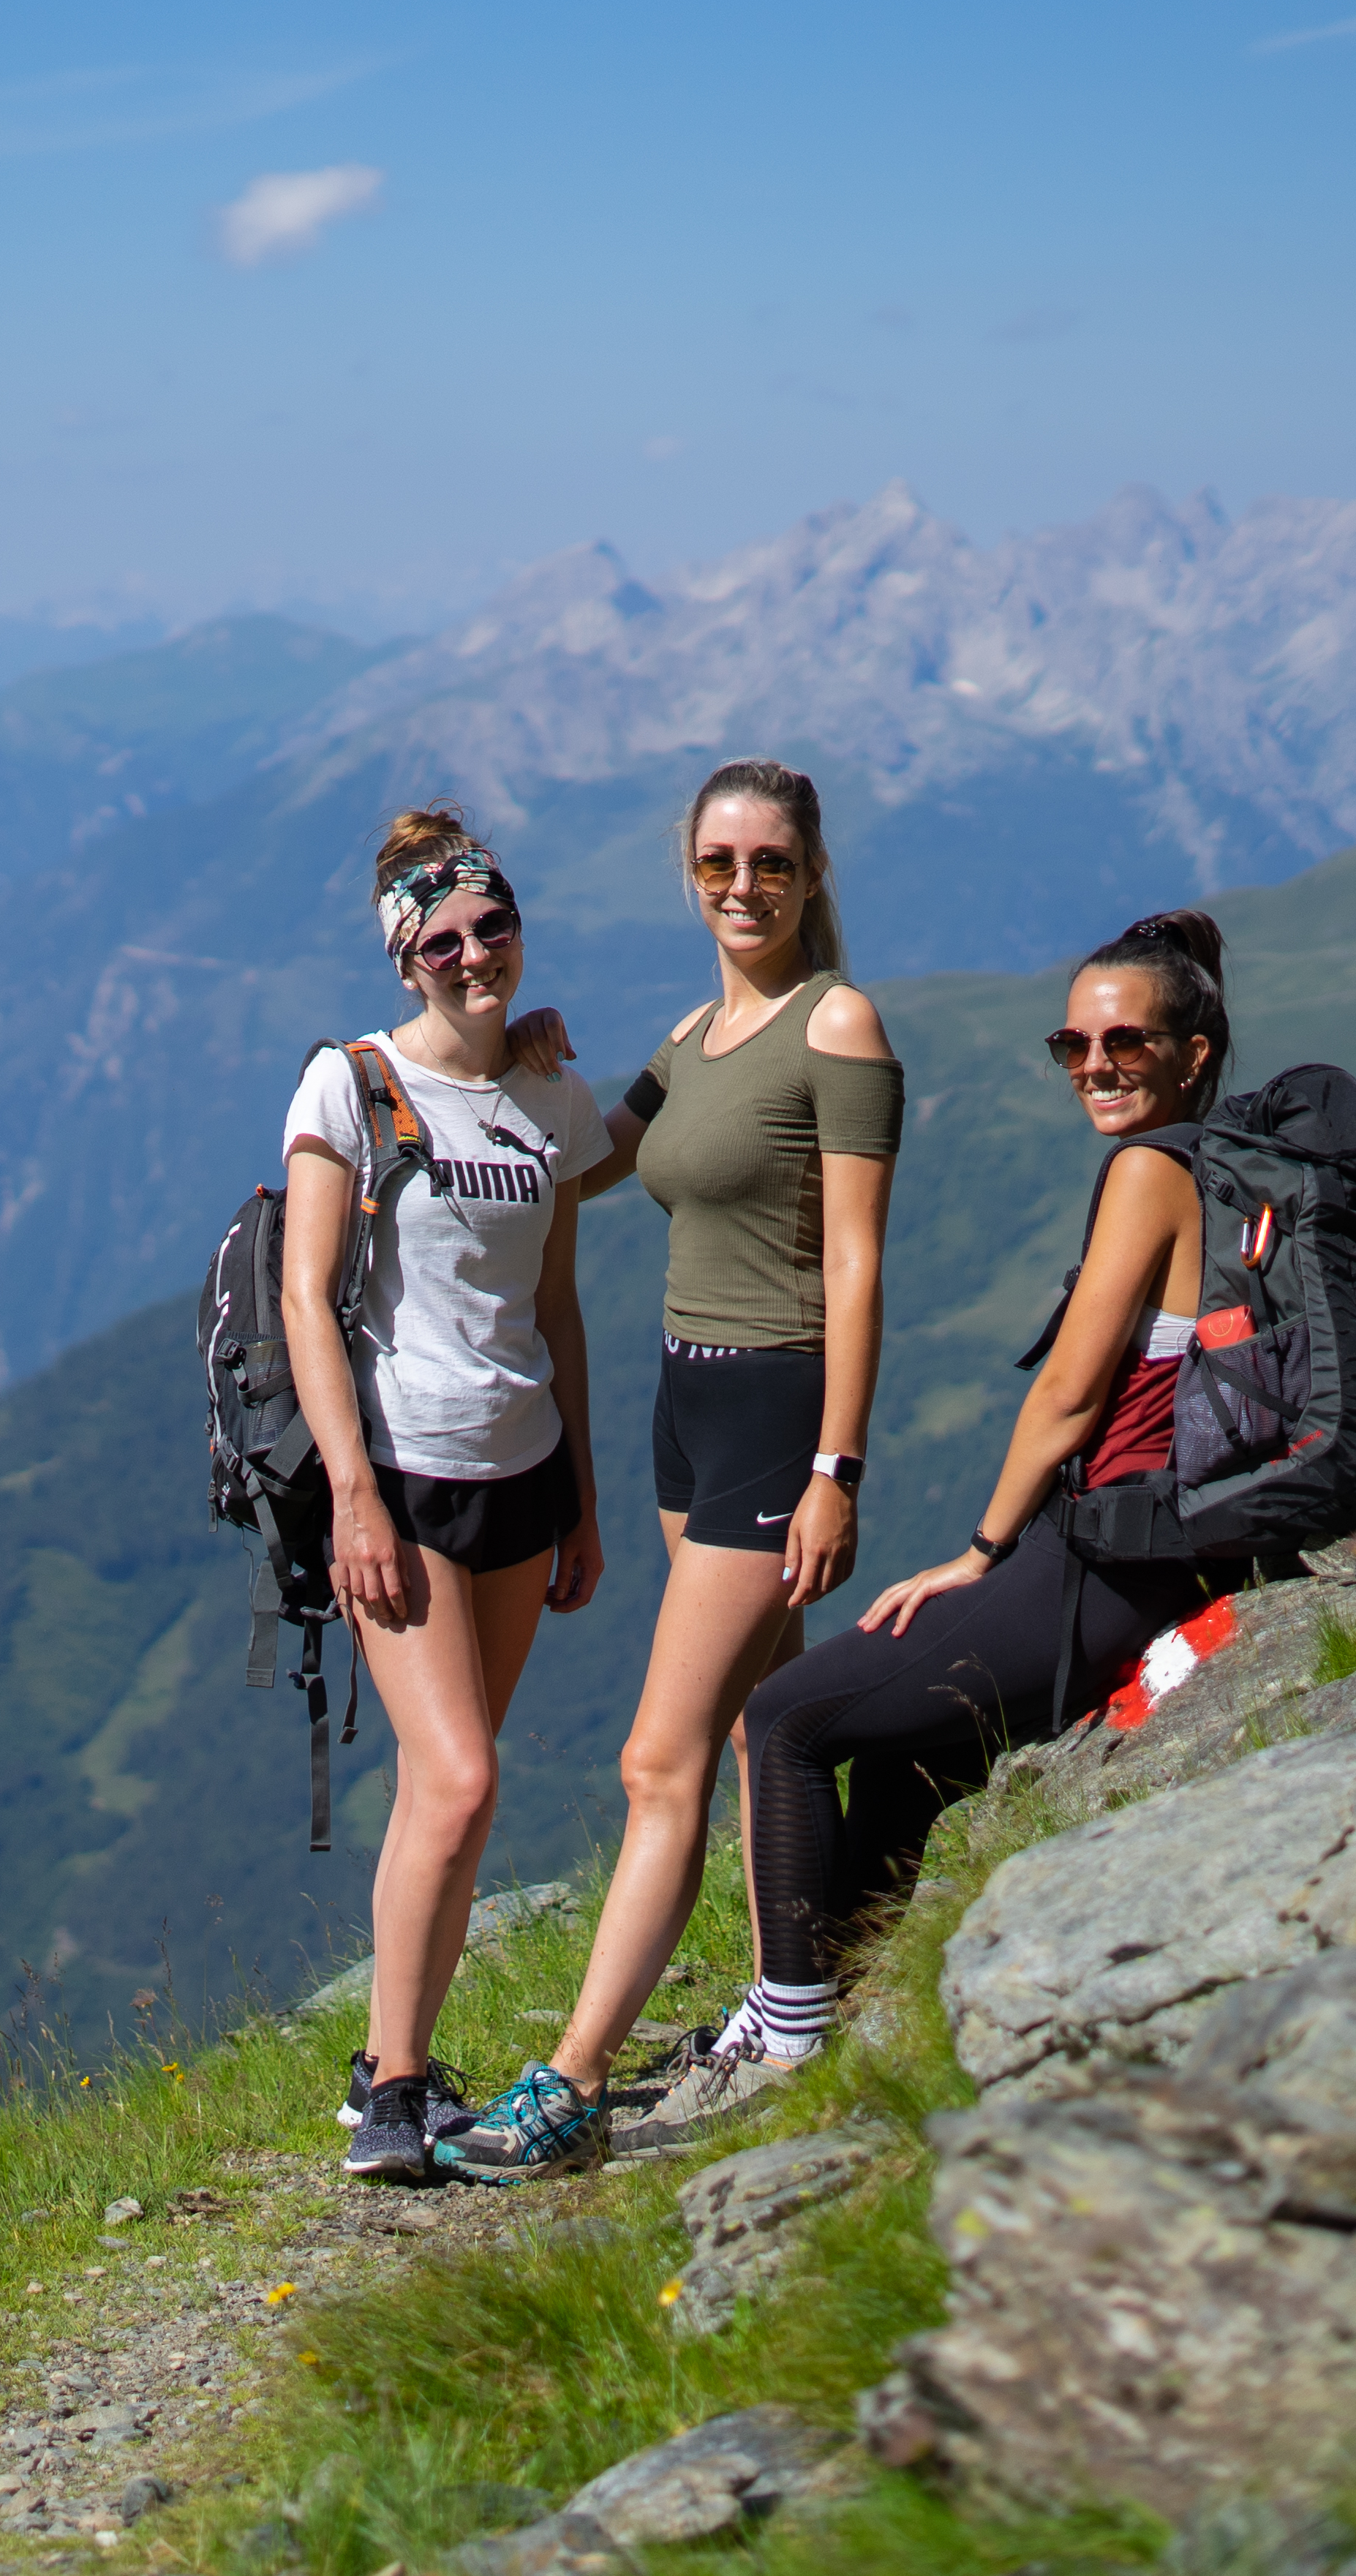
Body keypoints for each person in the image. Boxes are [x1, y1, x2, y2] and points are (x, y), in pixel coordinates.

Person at [656, 910, 1247, 2138]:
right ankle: (850, 2009)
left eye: (1125, 1043)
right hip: (1165, 1538)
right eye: (1073, 1045)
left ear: (1194, 1052)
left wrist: (977, 1555)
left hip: (1119, 1559)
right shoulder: (1232, 1156)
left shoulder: (1152, 1172)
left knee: (787, 1716)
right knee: (913, 1757)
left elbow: (1072, 1392)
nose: (1095, 1066)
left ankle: (788, 2024)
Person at [440, 758, 900, 2182]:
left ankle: (571, 2083)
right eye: (718, 863)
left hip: (775, 1407)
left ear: (814, 871)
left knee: (660, 1757)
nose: (744, 886)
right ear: (688, 873)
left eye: (771, 860)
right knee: (764, 1718)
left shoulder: (840, 1022)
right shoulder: (697, 1035)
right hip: (682, 1405)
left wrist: (837, 1464)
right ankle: (791, 2007)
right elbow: (577, 1163)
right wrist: (520, 1054)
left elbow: (861, 1257)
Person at [280, 807, 617, 2183]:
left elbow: (558, 1306)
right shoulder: (348, 1087)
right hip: (406, 1480)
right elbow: (307, 1300)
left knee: (454, 1790)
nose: (477, 954)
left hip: (523, 1471)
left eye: (496, 927)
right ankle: (393, 2087)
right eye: (446, 939)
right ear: (405, 957)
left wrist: (584, 1497)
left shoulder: (553, 1098)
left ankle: (396, 2065)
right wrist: (352, 1496)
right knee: (464, 1775)